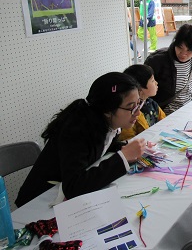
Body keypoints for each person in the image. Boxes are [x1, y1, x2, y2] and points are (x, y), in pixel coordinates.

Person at [15, 72, 147, 207]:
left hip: (61, 195)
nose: (138, 112)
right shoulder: (77, 131)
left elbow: (102, 145)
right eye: (131, 107)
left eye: (139, 104)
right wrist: (123, 158)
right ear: (107, 110)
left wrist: (125, 147)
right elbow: (73, 187)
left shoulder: (105, 122)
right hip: (38, 202)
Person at [144, 24, 192, 115]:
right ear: (175, 42)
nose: (183, 54)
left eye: (189, 50)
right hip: (165, 115)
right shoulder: (157, 61)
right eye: (180, 48)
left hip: (190, 109)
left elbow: (187, 74)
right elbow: (141, 86)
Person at [119, 64, 166, 141]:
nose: (156, 83)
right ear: (139, 88)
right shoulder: (129, 113)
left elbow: (164, 122)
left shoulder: (151, 103)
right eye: (152, 80)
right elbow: (128, 140)